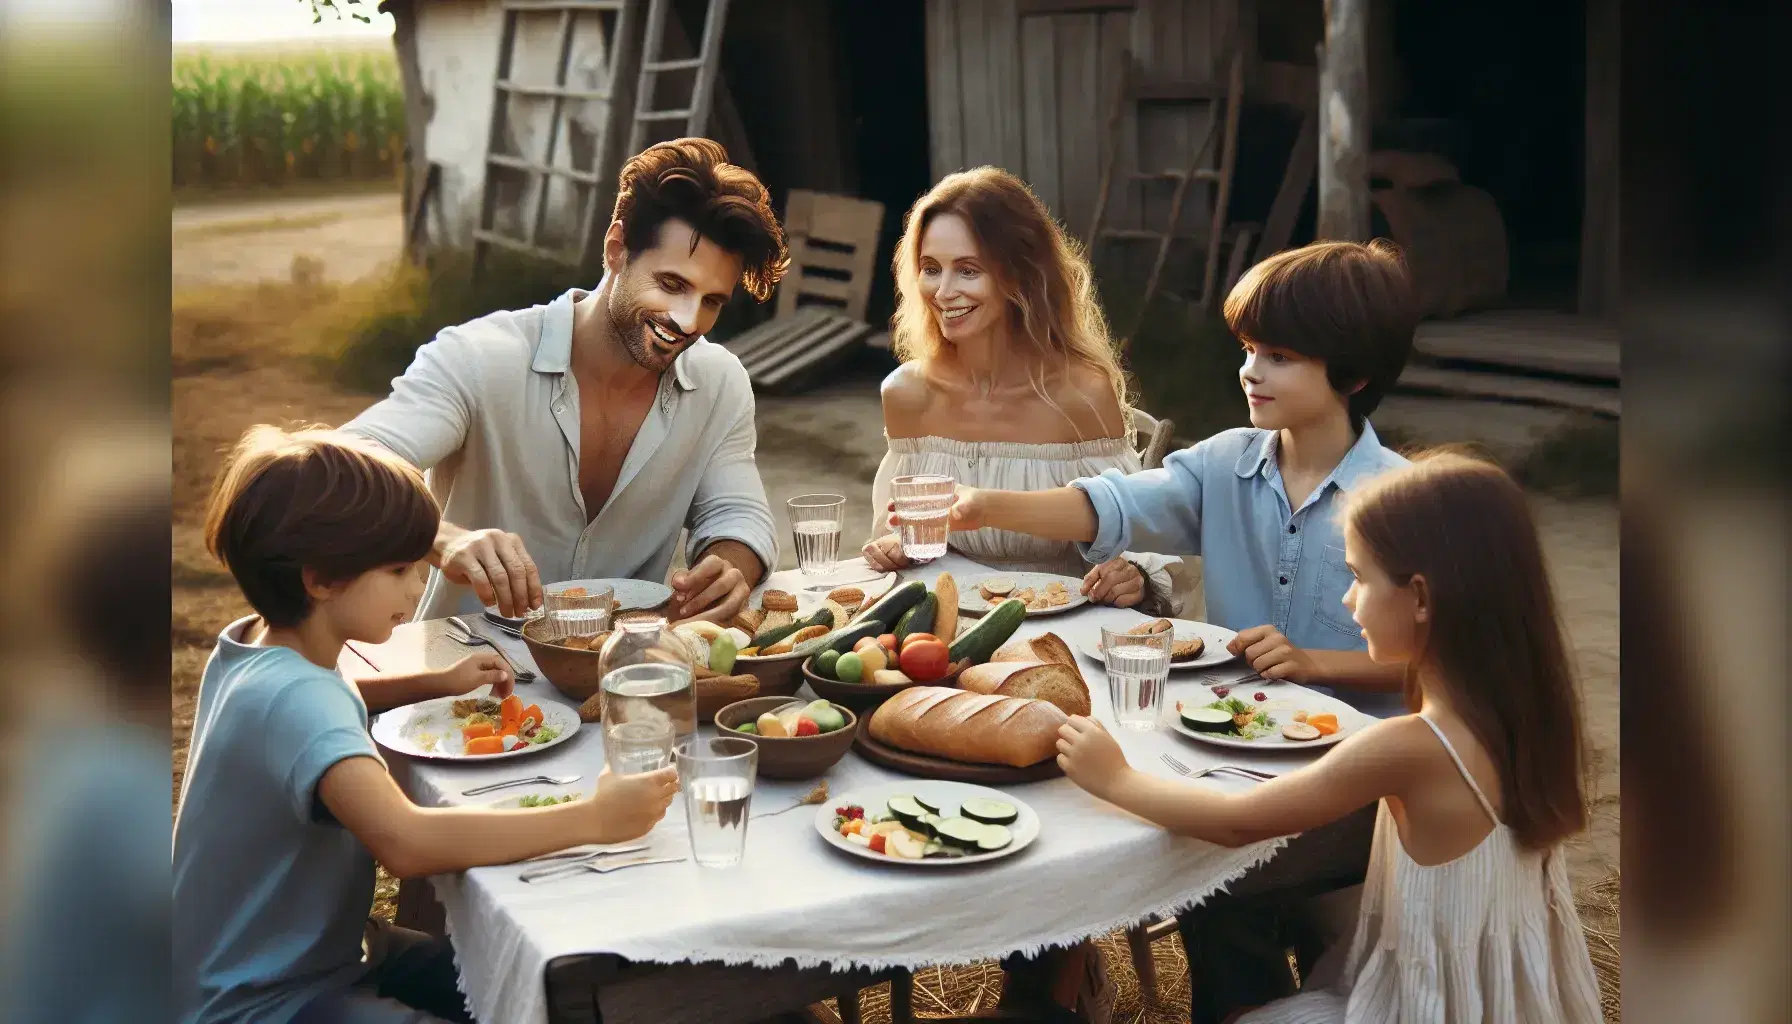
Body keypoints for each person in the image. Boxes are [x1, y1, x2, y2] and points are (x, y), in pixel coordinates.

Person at [923, 238, 1419, 1018]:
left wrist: (1320, 663)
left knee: (1216, 889)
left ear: (1354, 375)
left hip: (1358, 788)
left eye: (1280, 355)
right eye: (1250, 350)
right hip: (1228, 758)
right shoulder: (1226, 464)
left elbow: (1448, 669)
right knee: (1187, 875)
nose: (1251, 371)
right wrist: (986, 504)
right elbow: (1114, 504)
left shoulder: (1403, 500)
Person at [1053, 451, 1604, 1022]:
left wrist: (1113, 777)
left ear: (1419, 597)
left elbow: (1234, 824)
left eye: (1358, 578)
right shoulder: (1522, 715)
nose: (1347, 599)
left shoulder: (1410, 746)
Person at [174, 427, 679, 1024]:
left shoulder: (255, 649)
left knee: (520, 974)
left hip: (286, 960)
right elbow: (406, 843)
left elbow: (327, 704)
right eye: (400, 570)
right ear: (321, 580)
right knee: (533, 984)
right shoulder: (296, 700)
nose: (419, 589)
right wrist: (595, 818)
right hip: (263, 1002)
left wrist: (433, 683)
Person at [342, 138, 790, 626]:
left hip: (626, 668)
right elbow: (343, 464)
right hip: (464, 677)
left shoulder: (720, 384)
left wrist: (730, 566)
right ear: (616, 249)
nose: (688, 319)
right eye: (672, 284)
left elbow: (738, 515)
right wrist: (441, 537)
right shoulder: (479, 358)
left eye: (712, 302)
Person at [860, 166, 1181, 614]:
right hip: (949, 627)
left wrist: (1132, 577)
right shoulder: (907, 394)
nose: (944, 291)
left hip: (1067, 628)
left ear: (1019, 276)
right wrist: (898, 546)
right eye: (931, 269)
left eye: (968, 270)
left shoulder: (1080, 394)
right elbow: (895, 537)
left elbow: (1133, 539)